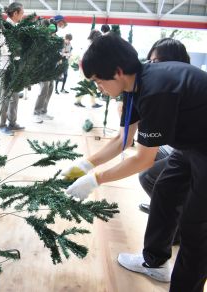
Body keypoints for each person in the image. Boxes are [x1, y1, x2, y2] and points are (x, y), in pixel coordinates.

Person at [61, 33, 207, 292]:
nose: (98, 88)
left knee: (195, 231)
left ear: (117, 72)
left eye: (97, 80)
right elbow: (123, 140)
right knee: (165, 190)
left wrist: (96, 180)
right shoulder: (134, 85)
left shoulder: (156, 89)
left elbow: (142, 159)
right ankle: (154, 261)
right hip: (191, 144)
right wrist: (84, 165)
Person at [138, 38, 191, 216]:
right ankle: (163, 204)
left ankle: (173, 220)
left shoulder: (175, 86)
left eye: (156, 62)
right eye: (150, 62)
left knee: (147, 176)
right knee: (152, 159)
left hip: (195, 150)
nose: (151, 67)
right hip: (179, 146)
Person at [0, 2, 26, 136]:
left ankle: (12, 122)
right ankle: (2, 125)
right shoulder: (5, 27)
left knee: (14, 97)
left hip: (14, 67)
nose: (23, 15)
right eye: (22, 13)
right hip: (4, 68)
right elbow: (2, 47)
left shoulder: (15, 27)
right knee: (4, 97)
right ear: (15, 13)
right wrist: (16, 51)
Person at [33, 18, 61, 124]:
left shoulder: (53, 38)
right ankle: (36, 112)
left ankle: (43, 111)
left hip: (51, 69)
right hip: (42, 69)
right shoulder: (40, 39)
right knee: (43, 90)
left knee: (50, 88)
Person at [74, 30, 102, 108]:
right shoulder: (92, 45)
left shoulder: (90, 44)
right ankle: (91, 103)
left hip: (84, 66)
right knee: (89, 85)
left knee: (87, 85)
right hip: (86, 67)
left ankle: (80, 101)